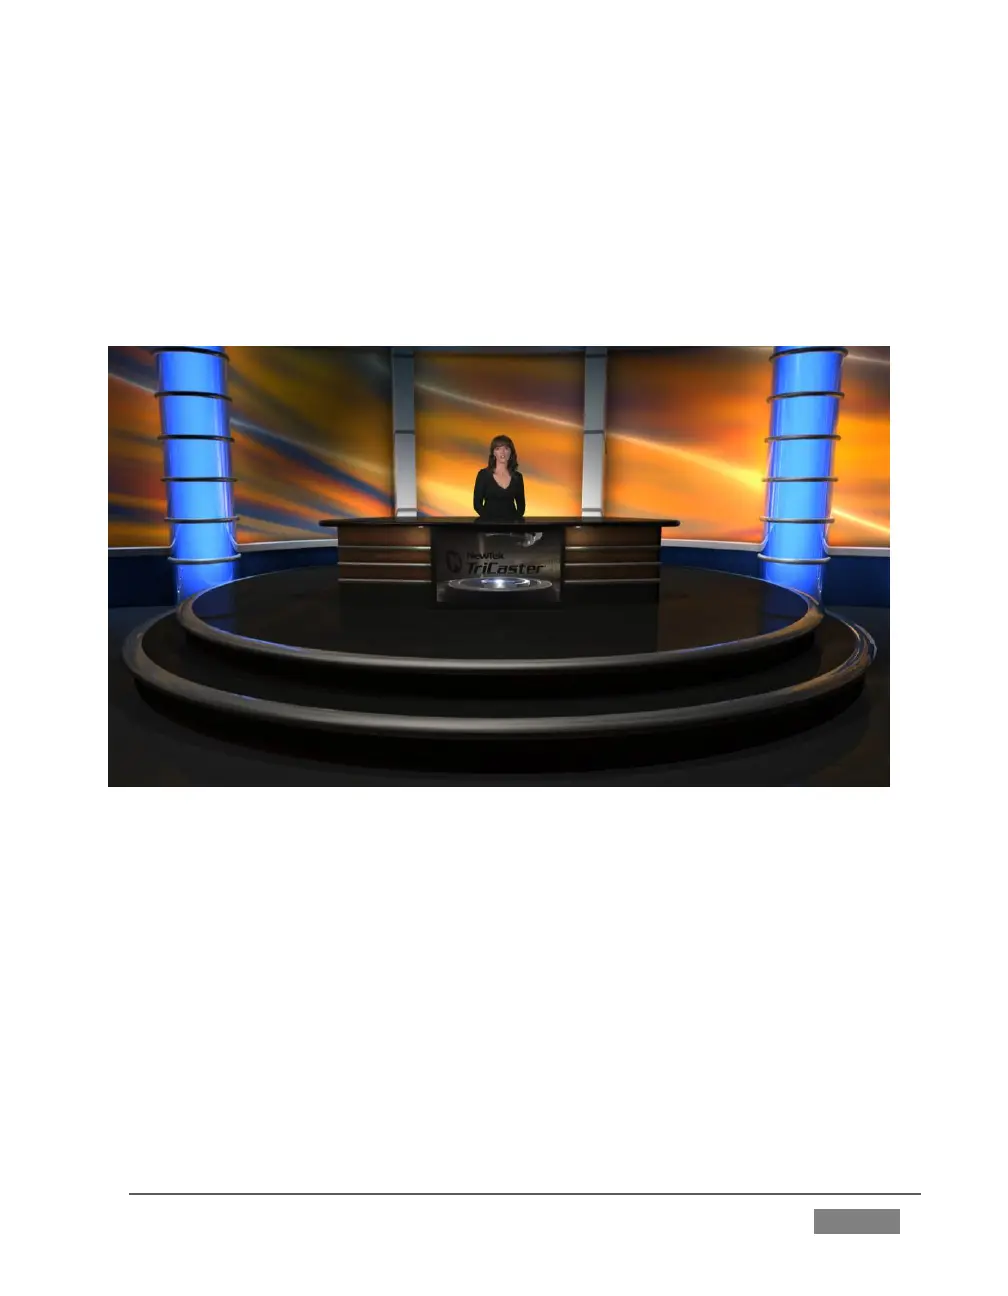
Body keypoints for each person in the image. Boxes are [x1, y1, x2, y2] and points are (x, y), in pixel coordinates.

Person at [473, 435, 526, 521]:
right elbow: (477, 504)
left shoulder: (517, 477)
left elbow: (521, 507)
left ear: (511, 452)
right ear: (494, 453)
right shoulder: (483, 475)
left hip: (511, 525)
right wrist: (489, 521)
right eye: (498, 449)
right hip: (488, 525)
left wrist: (514, 523)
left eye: (506, 448)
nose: (502, 452)